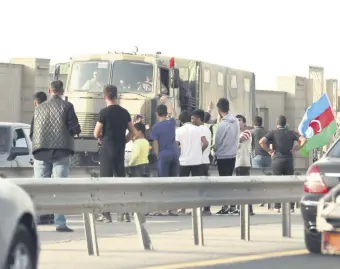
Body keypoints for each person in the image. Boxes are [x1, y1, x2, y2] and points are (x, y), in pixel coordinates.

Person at [31, 80, 81, 232]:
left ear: (49, 90)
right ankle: (60, 223)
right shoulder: (67, 106)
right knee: (59, 187)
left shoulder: (39, 107)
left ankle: (37, 219)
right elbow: (75, 128)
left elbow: (32, 131)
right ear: (63, 91)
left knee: (39, 188)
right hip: (61, 150)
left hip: (40, 151)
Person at [94, 85, 135, 222]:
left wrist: (100, 138)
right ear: (117, 96)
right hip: (120, 150)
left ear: (105, 96)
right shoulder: (125, 112)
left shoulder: (103, 112)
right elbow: (133, 132)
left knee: (105, 182)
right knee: (120, 182)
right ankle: (124, 213)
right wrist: (124, 140)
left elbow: (96, 132)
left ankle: (106, 214)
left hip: (106, 149)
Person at [259, 115, 307, 213]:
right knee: (290, 184)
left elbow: (261, 142)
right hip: (288, 160)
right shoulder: (291, 133)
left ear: (277, 123)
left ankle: (277, 206)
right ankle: (291, 206)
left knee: (277, 183)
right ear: (286, 124)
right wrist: (297, 148)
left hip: (277, 159)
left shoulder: (272, 133)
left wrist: (269, 150)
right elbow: (304, 140)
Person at [150, 96, 178, 216]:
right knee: (173, 182)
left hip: (164, 155)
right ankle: (173, 209)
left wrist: (157, 155)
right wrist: (168, 102)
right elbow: (175, 114)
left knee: (163, 182)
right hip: (174, 154)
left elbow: (155, 144)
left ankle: (162, 209)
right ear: (166, 113)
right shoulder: (171, 123)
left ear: (157, 114)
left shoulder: (156, 127)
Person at [176, 110, 208, 215]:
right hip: (197, 161)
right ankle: (196, 209)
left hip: (184, 161)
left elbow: (176, 145)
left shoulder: (179, 130)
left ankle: (182, 208)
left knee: (182, 187)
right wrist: (200, 151)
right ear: (191, 118)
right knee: (197, 186)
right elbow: (205, 143)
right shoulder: (199, 129)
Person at [214, 98, 240, 215]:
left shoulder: (222, 125)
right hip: (233, 155)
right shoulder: (236, 122)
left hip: (222, 156)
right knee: (230, 180)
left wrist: (215, 152)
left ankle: (225, 206)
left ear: (219, 110)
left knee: (223, 183)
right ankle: (233, 205)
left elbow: (218, 141)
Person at [191, 109, 212, 216]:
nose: (192, 121)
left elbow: (205, 143)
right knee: (204, 186)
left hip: (202, 161)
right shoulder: (206, 129)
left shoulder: (201, 129)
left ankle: (205, 208)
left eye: (193, 118)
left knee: (201, 186)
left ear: (198, 119)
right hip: (205, 160)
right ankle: (205, 208)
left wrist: (198, 153)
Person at [235, 115, 254, 215]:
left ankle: (248, 209)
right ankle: (242, 208)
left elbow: (238, 140)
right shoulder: (236, 133)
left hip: (243, 162)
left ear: (244, 123)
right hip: (237, 162)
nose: (238, 122)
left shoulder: (246, 132)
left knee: (245, 187)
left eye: (240, 120)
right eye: (236, 120)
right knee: (240, 187)